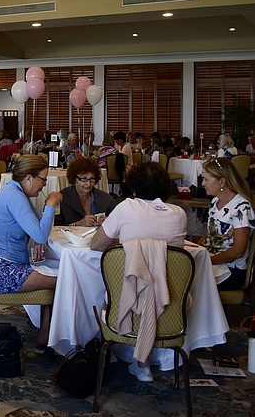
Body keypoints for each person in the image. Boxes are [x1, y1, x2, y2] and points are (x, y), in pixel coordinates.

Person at [89, 161, 186, 383]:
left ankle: (102, 345)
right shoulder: (179, 214)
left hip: (129, 300)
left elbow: (96, 245)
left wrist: (125, 241)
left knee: (91, 284)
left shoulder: (126, 208)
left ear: (133, 188)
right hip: (170, 301)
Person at [0, 154, 62, 349]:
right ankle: (51, 335)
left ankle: (46, 333)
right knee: (65, 278)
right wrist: (50, 204)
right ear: (28, 178)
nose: (43, 185)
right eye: (43, 179)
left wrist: (46, 209)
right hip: (1, 271)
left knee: (59, 271)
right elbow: (41, 235)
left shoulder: (14, 193)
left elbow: (37, 228)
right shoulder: (14, 197)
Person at [198, 158, 254, 291]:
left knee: (188, 282)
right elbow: (210, 233)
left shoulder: (241, 207)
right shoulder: (215, 202)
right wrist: (197, 250)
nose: (202, 183)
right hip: (212, 261)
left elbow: (238, 251)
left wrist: (205, 261)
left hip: (231, 269)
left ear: (222, 181)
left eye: (206, 179)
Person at [55, 157, 119, 227]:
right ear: (74, 179)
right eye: (84, 179)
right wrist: (78, 224)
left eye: (92, 179)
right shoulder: (62, 199)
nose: (88, 184)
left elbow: (119, 221)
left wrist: (109, 222)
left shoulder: (106, 199)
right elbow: (54, 228)